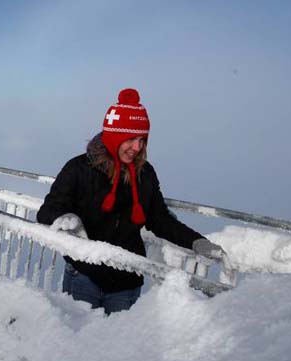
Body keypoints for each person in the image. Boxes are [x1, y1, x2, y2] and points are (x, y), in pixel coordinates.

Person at [36, 88, 224, 314]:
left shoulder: (145, 174)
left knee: (117, 347)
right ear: (114, 136)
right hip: (84, 275)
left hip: (126, 281)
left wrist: (196, 242)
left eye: (142, 140)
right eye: (131, 139)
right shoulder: (78, 169)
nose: (138, 147)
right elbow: (47, 211)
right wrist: (68, 218)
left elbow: (159, 219)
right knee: (78, 344)